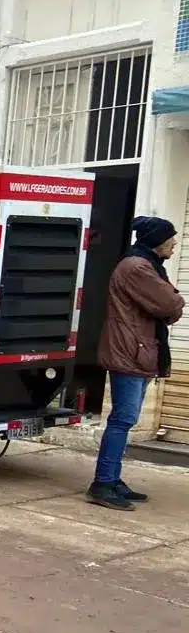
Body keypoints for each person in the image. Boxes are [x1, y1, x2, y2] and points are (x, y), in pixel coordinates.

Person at [89, 215, 185, 510]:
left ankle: (112, 478)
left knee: (124, 420)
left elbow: (167, 305)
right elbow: (171, 304)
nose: (175, 242)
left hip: (139, 350)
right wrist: (172, 305)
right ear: (157, 241)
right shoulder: (137, 268)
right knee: (122, 420)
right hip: (130, 352)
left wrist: (169, 306)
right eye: (171, 237)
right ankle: (103, 483)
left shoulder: (145, 265)